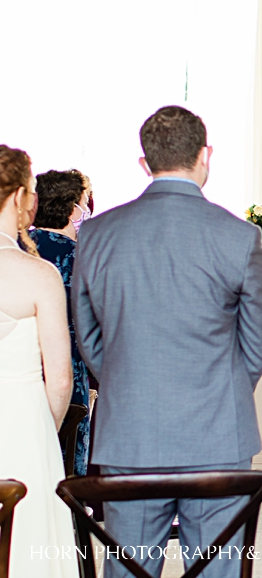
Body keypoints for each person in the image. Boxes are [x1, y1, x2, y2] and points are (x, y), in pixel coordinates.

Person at [73, 106, 262, 578]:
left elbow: (89, 334)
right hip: (218, 434)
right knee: (217, 567)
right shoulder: (238, 236)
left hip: (130, 433)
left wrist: (128, 383)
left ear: (145, 163)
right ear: (206, 156)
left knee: (129, 568)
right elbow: (257, 338)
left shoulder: (98, 234)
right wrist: (220, 389)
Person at [0, 145, 78, 578]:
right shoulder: (38, 274)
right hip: (25, 425)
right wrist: (42, 430)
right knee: (33, 547)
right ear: (18, 197)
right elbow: (61, 379)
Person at [31, 168, 92, 476]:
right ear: (71, 208)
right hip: (67, 369)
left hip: (23, 372)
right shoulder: (82, 257)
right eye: (85, 201)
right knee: (66, 467)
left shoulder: (18, 249)